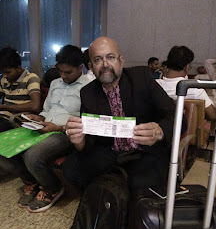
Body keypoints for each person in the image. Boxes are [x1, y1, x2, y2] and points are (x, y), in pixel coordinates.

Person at [63, 37, 186, 194]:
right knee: (71, 168)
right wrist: (79, 141)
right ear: (91, 67)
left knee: (140, 191)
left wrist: (160, 131)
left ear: (121, 61)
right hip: (109, 151)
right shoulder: (87, 93)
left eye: (111, 57)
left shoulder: (142, 78)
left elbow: (178, 117)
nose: (105, 64)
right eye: (98, 60)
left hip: (144, 150)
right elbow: (89, 141)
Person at [0, 45, 90, 212]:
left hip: (64, 132)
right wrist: (38, 118)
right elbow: (46, 109)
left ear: (80, 68)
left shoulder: (89, 86)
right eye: (60, 71)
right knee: (1, 146)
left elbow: (87, 121)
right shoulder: (55, 83)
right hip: (43, 126)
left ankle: (52, 186)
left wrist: (57, 127)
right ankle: (31, 180)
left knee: (33, 155)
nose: (62, 76)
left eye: (68, 72)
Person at [156, 46, 216, 121]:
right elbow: (212, 115)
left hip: (155, 130)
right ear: (187, 67)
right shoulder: (196, 92)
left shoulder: (153, 85)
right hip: (186, 131)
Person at [0, 46, 41, 132]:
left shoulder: (31, 78)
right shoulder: (5, 80)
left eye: (8, 72)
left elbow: (35, 106)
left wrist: (4, 107)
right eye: (2, 72)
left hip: (16, 120)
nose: (4, 76)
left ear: (18, 68)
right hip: (3, 116)